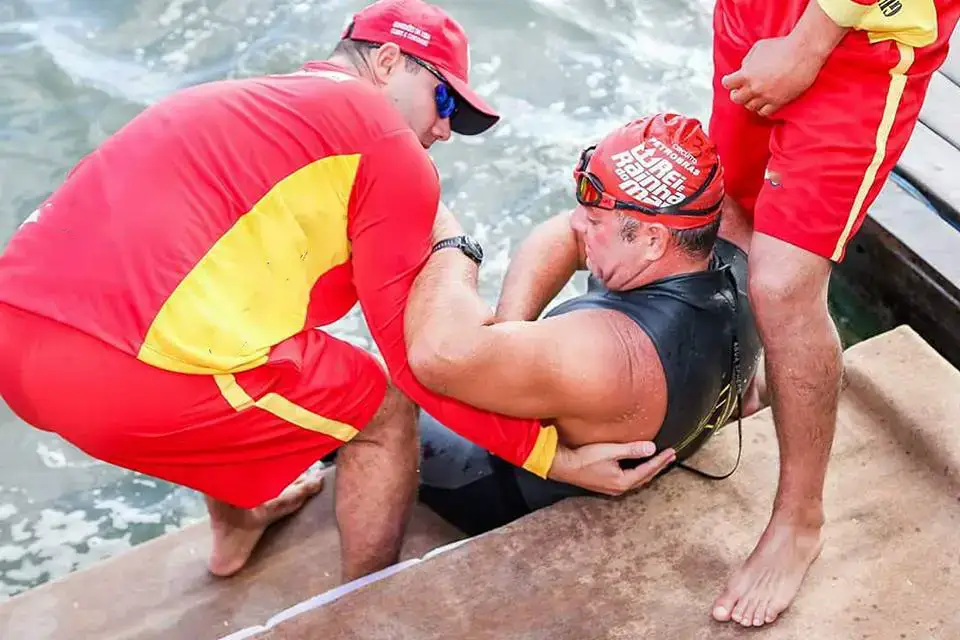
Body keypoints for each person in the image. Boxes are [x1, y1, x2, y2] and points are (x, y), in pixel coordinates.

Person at [0, 0, 660, 585]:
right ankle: (356, 611)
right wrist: (551, 457)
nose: (443, 134)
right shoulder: (382, 142)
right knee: (383, 413)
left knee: (243, 334)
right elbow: (419, 362)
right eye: (447, 104)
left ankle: (237, 528)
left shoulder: (235, 102)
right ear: (389, 61)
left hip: (17, 337)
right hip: (120, 376)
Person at [707, 0, 960, 627]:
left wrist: (809, 44)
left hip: (858, 48)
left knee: (784, 285)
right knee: (729, 210)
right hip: (751, 16)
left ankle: (798, 519)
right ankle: (749, 380)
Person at [404, 113, 764, 535]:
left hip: (492, 484)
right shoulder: (737, 245)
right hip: (677, 402)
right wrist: (509, 331)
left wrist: (450, 239)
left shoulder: (608, 355)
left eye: (594, 221)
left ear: (652, 241)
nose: (576, 223)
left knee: (385, 393)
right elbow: (563, 236)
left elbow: (436, 354)